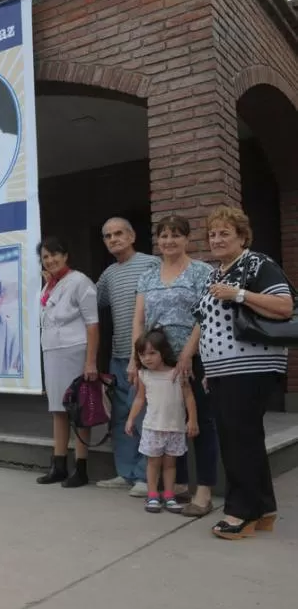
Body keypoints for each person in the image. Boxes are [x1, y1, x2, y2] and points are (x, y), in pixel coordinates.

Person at [191, 206, 292, 540]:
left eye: (225, 233)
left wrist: (239, 294)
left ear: (242, 236)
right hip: (223, 371)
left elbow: (285, 306)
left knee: (238, 440)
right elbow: (207, 324)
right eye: (212, 234)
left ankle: (240, 512)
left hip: (251, 367)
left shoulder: (257, 264)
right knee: (243, 438)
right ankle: (263, 508)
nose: (217, 239)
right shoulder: (215, 272)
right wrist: (208, 367)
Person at [132, 215, 218, 516]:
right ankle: (176, 485)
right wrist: (135, 358)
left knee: (201, 422)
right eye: (164, 235)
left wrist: (186, 354)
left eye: (175, 235)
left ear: (187, 239)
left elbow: (204, 316)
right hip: (158, 365)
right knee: (168, 420)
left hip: (194, 360)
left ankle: (204, 489)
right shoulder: (148, 275)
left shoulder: (202, 272)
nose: (169, 241)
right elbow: (139, 320)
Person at [95, 217, 158, 497]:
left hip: (146, 357)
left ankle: (145, 475)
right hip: (119, 356)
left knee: (144, 415)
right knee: (121, 417)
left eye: (119, 233)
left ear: (132, 236)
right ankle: (125, 473)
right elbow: (92, 302)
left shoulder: (151, 264)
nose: (113, 239)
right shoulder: (108, 275)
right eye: (108, 236)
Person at [36, 237, 99, 487]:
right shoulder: (49, 285)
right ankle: (58, 464)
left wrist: (91, 362)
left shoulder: (80, 281)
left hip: (75, 351)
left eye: (55, 255)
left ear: (66, 255)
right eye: (45, 257)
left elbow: (92, 323)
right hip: (52, 351)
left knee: (79, 409)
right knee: (57, 409)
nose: (50, 260)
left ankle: (81, 468)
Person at [125, 329, 199, 514]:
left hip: (175, 428)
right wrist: (131, 419)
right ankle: (152, 494)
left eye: (152, 353)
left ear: (163, 352)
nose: (147, 358)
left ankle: (168, 495)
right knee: (153, 463)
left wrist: (193, 420)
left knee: (170, 464)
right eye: (142, 355)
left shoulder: (177, 373)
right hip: (153, 428)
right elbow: (140, 399)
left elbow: (189, 397)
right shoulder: (144, 375)